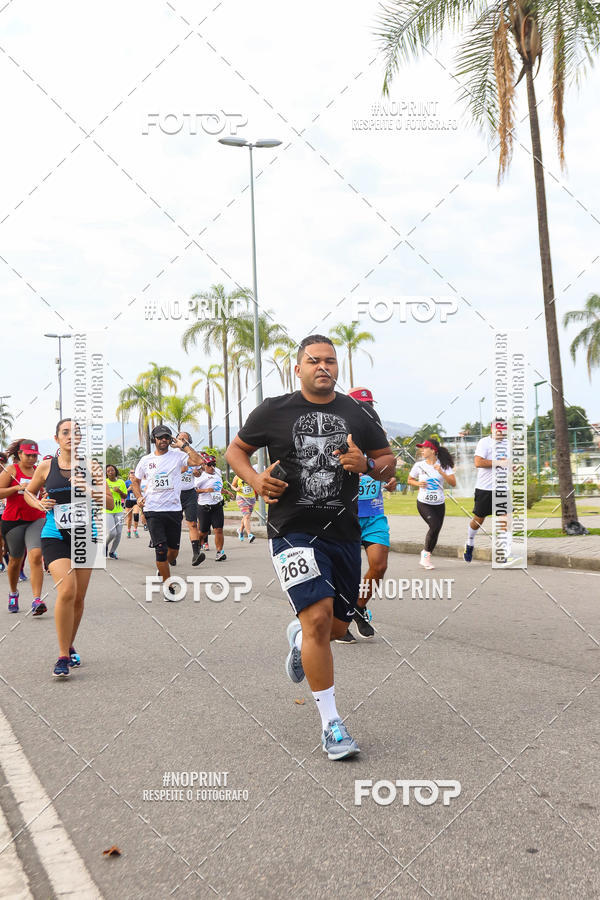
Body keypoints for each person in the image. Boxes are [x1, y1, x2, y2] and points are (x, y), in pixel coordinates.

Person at [226, 334, 395, 760]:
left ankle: (300, 637)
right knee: (319, 619)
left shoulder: (355, 411)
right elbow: (236, 451)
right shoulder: (274, 410)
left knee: (336, 629)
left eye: (331, 361)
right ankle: (332, 725)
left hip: (343, 532)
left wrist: (369, 464)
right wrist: (254, 480)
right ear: (297, 368)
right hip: (292, 530)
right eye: (314, 360)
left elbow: (389, 459)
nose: (324, 367)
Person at [24, 418, 114, 677]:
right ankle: (63, 656)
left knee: (78, 598)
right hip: (55, 535)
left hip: (87, 536)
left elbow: (108, 502)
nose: (70, 436)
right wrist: (39, 504)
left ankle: (69, 643)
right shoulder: (45, 467)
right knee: (67, 589)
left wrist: (88, 488)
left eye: (76, 433)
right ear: (56, 438)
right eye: (65, 432)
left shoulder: (92, 467)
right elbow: (29, 493)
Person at [336, 387, 397, 643]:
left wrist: (390, 480)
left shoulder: (378, 436)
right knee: (346, 574)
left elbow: (387, 469)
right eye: (361, 405)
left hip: (373, 514)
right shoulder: (339, 438)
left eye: (369, 404)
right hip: (345, 515)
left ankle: (358, 608)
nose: (367, 409)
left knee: (379, 565)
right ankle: (341, 620)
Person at [130, 425, 204, 596]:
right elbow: (135, 481)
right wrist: (139, 496)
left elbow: (198, 461)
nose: (163, 440)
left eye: (166, 437)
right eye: (160, 437)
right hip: (153, 510)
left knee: (173, 552)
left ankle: (162, 569)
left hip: (173, 509)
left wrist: (182, 445)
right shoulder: (146, 460)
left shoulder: (178, 456)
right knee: (161, 549)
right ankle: (168, 585)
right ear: (154, 439)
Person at [0, 439, 46, 614]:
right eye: (29, 455)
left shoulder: (38, 471)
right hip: (13, 520)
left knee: (35, 555)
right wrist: (17, 488)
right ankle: (13, 593)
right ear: (19, 454)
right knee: (15, 561)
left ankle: (37, 600)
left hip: (36, 517)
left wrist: (45, 494)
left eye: (35, 455)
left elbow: (43, 492)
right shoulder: (11, 470)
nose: (32, 459)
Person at [463, 419, 509, 562]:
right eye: (498, 429)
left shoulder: (508, 444)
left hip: (502, 488)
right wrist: (498, 462)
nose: (501, 432)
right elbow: (478, 462)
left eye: (503, 429)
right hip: (484, 489)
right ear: (492, 429)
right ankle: (470, 542)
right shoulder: (484, 442)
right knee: (478, 520)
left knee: (505, 519)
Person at [408, 439, 456, 569]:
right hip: (424, 503)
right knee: (434, 526)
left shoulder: (444, 465)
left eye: (424, 448)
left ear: (433, 450)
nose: (422, 450)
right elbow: (410, 480)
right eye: (421, 448)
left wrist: (441, 472)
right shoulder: (419, 465)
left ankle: (427, 555)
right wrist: (418, 483)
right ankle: (424, 557)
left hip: (439, 503)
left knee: (436, 530)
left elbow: (453, 483)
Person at [177, 431, 205, 567]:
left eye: (185, 440)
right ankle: (172, 552)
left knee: (193, 524)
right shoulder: (170, 455)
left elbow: (200, 471)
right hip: (174, 494)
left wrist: (197, 472)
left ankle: (196, 554)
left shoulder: (192, 455)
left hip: (190, 493)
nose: (182, 441)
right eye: (180, 439)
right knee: (174, 525)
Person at [195, 455, 229, 562]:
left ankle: (220, 552)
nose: (212, 467)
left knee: (218, 529)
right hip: (204, 506)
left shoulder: (218, 473)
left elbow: (218, 487)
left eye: (213, 464)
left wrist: (227, 492)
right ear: (204, 465)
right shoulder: (200, 476)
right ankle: (198, 545)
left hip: (217, 505)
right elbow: (194, 490)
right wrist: (205, 490)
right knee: (203, 532)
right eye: (209, 465)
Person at [105, 464, 127, 559]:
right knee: (112, 533)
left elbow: (125, 496)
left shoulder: (121, 482)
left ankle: (112, 552)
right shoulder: (104, 482)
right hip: (107, 511)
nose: (110, 472)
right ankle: (104, 546)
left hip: (119, 511)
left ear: (115, 471)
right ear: (106, 473)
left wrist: (119, 491)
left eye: (112, 470)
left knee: (118, 533)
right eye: (108, 471)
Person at [231, 468, 258, 543]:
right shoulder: (237, 476)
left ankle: (240, 531)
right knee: (247, 516)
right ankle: (250, 535)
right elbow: (232, 485)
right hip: (241, 498)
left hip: (251, 498)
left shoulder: (251, 476)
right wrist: (236, 489)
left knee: (246, 516)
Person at [124, 469, 140, 539]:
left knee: (136, 515)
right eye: (131, 473)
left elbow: (140, 490)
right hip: (128, 500)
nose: (133, 474)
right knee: (129, 518)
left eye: (134, 472)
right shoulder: (126, 482)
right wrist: (129, 489)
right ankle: (128, 530)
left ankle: (135, 530)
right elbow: (123, 492)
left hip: (136, 500)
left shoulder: (137, 481)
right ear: (129, 474)